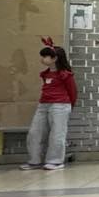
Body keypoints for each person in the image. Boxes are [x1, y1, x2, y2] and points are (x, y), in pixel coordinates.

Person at [23, 42, 76, 171]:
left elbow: (73, 92)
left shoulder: (65, 74)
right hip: (43, 105)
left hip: (60, 105)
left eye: (45, 56)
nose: (42, 59)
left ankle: (55, 161)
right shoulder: (45, 74)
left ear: (54, 58)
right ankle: (34, 161)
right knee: (34, 132)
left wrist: (69, 107)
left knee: (57, 134)